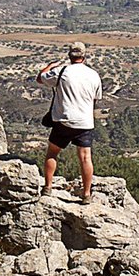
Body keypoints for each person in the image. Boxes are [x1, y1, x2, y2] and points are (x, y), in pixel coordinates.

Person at [36, 41, 102, 204]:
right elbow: (96, 97)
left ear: (69, 55)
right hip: (84, 122)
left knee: (52, 153)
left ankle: (48, 187)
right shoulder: (94, 75)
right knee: (86, 158)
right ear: (84, 56)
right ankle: (86, 194)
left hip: (63, 121)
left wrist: (49, 66)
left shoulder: (62, 71)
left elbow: (40, 79)